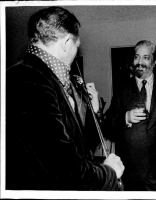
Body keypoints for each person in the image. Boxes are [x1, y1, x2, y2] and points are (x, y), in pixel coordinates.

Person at [6, 6, 124, 190]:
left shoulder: (47, 77)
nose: (76, 53)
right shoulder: (28, 80)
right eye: (76, 46)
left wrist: (92, 110)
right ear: (66, 42)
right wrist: (109, 171)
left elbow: (78, 143)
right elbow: (65, 171)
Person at [104, 40, 156, 191]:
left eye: (146, 58)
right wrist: (125, 117)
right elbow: (108, 123)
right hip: (130, 171)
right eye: (137, 57)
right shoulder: (122, 88)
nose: (139, 62)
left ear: (154, 62)